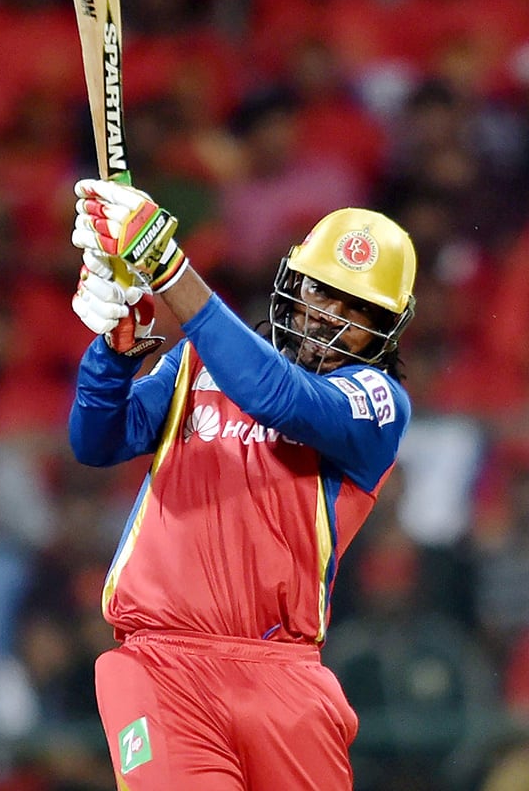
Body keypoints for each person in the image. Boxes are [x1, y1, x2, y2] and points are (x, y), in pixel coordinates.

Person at [67, 177, 417, 790]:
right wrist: (115, 350)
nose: (330, 318)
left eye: (359, 310)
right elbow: (96, 441)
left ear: (388, 329)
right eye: (322, 291)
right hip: (163, 664)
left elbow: (279, 396)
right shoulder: (197, 362)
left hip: (287, 676)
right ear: (293, 282)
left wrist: (164, 263)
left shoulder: (378, 402)